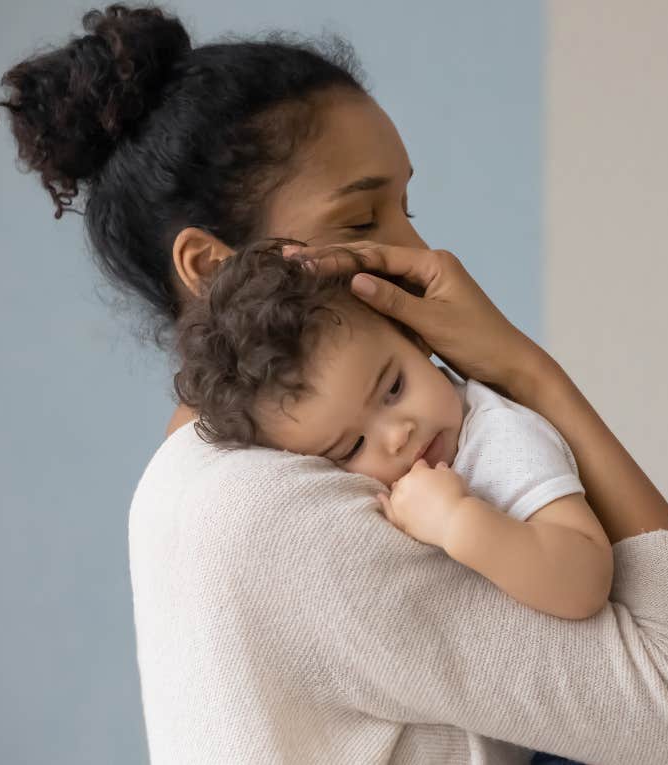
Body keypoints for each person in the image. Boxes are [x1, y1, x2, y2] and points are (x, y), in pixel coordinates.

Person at [0, 4, 668, 763]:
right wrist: (530, 373)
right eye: (362, 222)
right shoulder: (278, 515)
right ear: (214, 268)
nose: (428, 257)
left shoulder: (211, 482)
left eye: (407, 208)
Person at [172, 242, 614, 623]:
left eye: (394, 388)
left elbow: (585, 578)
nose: (398, 435)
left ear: (416, 339)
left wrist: (457, 522)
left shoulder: (499, 439)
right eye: (353, 447)